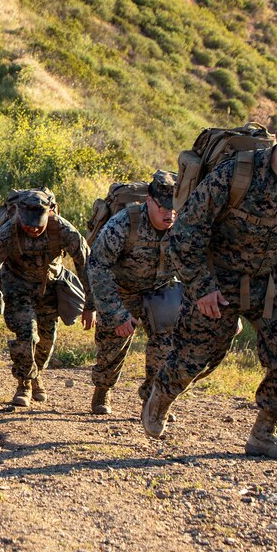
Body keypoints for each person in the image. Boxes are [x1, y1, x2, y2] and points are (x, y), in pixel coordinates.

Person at [143, 99, 277, 459]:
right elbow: (186, 234)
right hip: (216, 283)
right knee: (195, 359)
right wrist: (202, 288)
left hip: (268, 284)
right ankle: (160, 395)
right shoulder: (236, 174)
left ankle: (264, 433)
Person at [0, 189, 96, 408]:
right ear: (19, 215)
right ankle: (24, 384)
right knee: (27, 334)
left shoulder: (63, 229)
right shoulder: (6, 234)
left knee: (46, 341)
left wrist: (91, 305)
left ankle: (35, 373)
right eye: (29, 224)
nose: (34, 229)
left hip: (50, 287)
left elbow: (86, 264)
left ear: (49, 214)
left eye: (39, 225)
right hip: (17, 286)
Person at [87, 171, 178, 415]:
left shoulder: (185, 223)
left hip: (160, 292)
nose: (169, 214)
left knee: (166, 346)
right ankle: (103, 389)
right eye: (163, 207)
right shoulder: (125, 223)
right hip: (122, 290)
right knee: (111, 349)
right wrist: (115, 313)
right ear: (149, 200)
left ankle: (153, 398)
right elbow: (97, 265)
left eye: (174, 208)